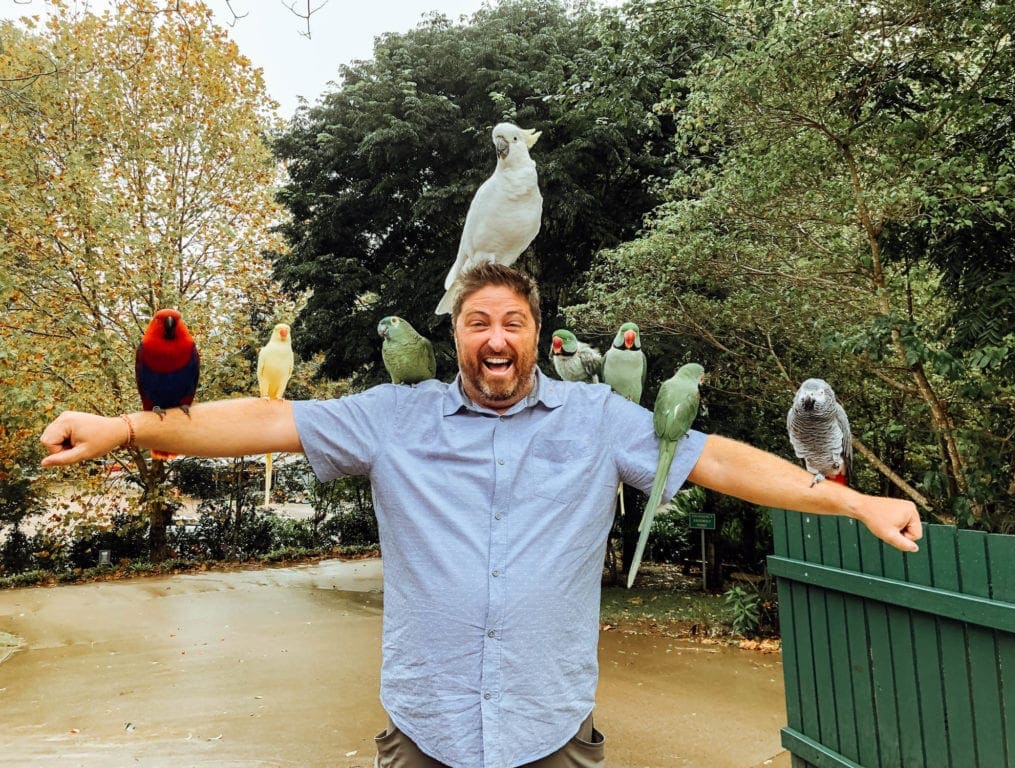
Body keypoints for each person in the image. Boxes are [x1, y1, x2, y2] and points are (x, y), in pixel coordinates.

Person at [40, 263, 922, 768]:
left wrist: (851, 499)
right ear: (456, 336)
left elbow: (722, 459)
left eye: (512, 321)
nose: (494, 338)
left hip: (551, 730)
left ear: (537, 334)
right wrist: (123, 427)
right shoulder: (395, 414)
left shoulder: (600, 420)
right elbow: (268, 418)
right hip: (427, 732)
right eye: (476, 323)